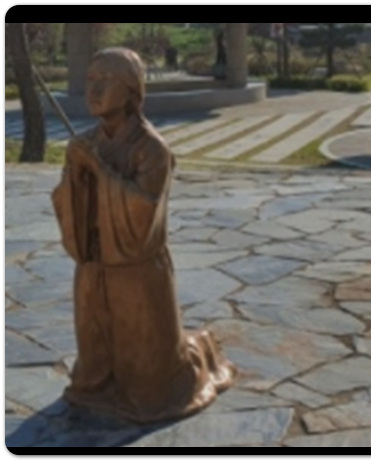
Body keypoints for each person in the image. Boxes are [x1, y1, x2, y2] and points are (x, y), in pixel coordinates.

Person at [51, 47, 235, 424]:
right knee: (91, 378)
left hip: (137, 270)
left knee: (151, 389)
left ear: (132, 91)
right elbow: (69, 204)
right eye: (91, 80)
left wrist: (97, 169)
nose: (94, 90)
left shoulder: (151, 149)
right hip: (94, 264)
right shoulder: (85, 143)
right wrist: (74, 175)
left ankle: (199, 349)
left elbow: (143, 212)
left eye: (106, 81)